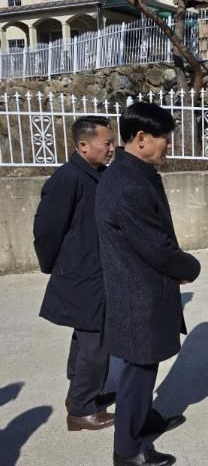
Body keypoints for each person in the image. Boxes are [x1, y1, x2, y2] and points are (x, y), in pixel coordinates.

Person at [95, 102, 201, 466]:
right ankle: (127, 450)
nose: (168, 144)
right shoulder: (127, 184)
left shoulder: (133, 173)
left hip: (142, 288)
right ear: (141, 138)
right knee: (137, 372)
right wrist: (188, 266)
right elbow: (154, 245)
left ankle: (142, 419)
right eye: (164, 138)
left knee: (145, 367)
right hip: (137, 294)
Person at [33, 116, 116, 430]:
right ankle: (81, 411)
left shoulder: (96, 175)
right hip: (82, 275)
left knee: (85, 339)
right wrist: (53, 265)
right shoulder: (68, 178)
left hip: (95, 272)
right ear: (83, 145)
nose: (112, 148)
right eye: (107, 142)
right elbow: (47, 229)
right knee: (96, 344)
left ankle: (80, 395)